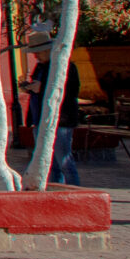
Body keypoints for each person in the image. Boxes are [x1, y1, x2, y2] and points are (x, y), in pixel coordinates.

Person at [24, 46, 84, 187]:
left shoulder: (65, 66)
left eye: (38, 52)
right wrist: (30, 87)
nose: (35, 56)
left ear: (47, 50)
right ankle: (57, 190)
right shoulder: (40, 67)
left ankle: (75, 191)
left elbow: (70, 90)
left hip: (60, 120)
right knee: (51, 164)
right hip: (40, 119)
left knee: (64, 161)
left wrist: (42, 87)